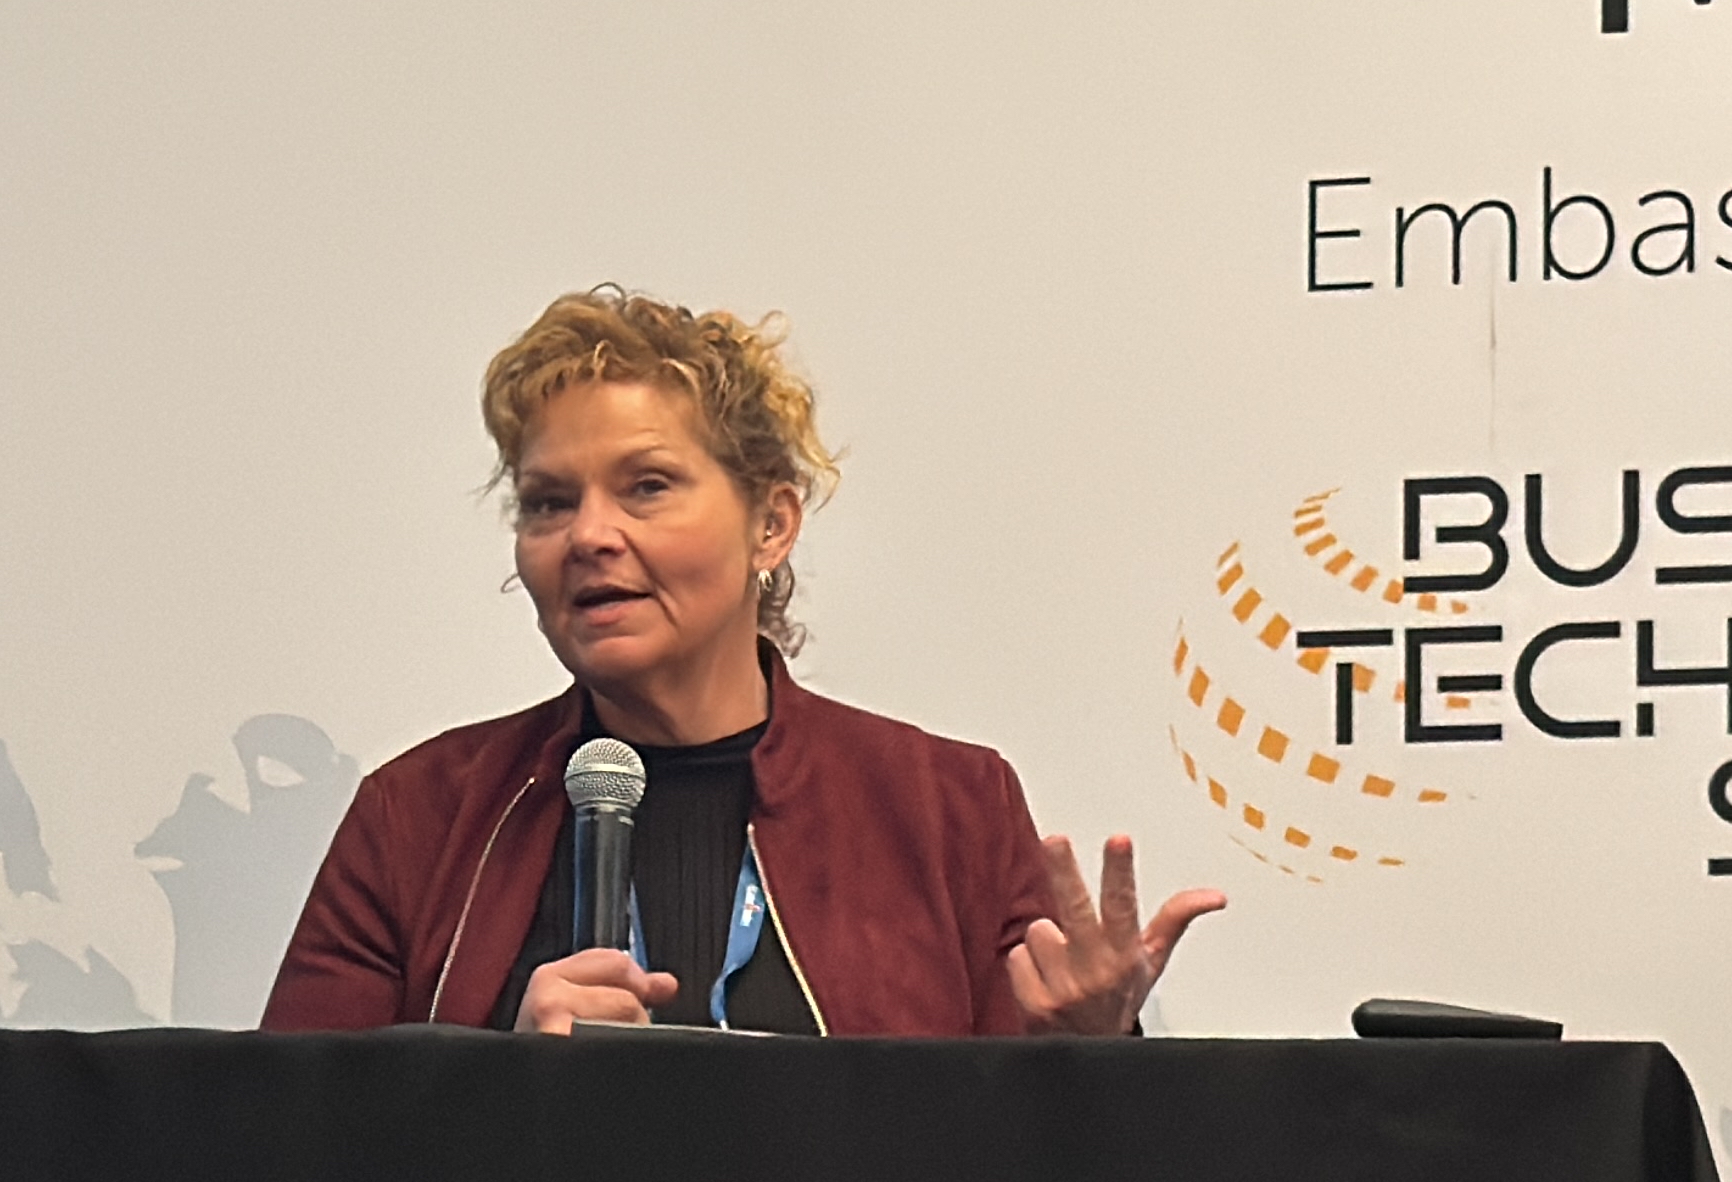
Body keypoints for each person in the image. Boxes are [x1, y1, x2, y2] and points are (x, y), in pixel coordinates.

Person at [261, 287, 1222, 1036]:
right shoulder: (419, 818)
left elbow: (1055, 1180)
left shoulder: (948, 808)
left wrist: (1092, 1051)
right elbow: (285, 1158)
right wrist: (495, 1085)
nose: (589, 535)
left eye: (646, 486)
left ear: (771, 523)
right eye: (548, 502)